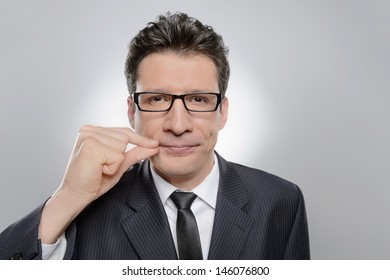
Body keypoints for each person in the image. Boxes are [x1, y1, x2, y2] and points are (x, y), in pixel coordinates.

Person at [0, 12, 310, 260]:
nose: (178, 125)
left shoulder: (281, 201)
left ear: (223, 111)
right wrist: (68, 197)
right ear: (132, 112)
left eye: (199, 99)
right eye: (157, 100)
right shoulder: (86, 207)